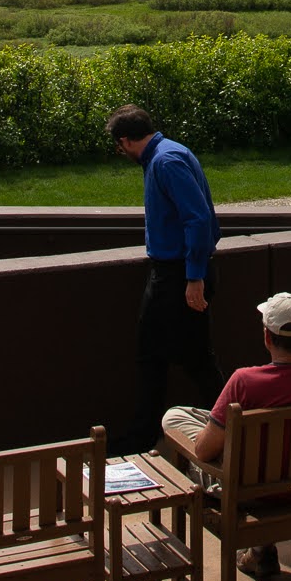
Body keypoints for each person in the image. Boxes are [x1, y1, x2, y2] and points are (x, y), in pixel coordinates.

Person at [163, 291, 291, 581]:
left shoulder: (244, 382)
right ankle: (260, 549)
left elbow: (203, 451)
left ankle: (257, 547)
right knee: (222, 426)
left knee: (173, 419)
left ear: (267, 337)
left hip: (252, 493)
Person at [107, 104, 223, 456]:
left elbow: (197, 219)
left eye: (119, 146)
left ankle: (229, 427)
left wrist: (194, 277)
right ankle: (146, 434)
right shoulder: (169, 153)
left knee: (190, 358)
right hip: (175, 273)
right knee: (164, 355)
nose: (121, 152)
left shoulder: (165, 161)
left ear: (126, 140)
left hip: (178, 275)